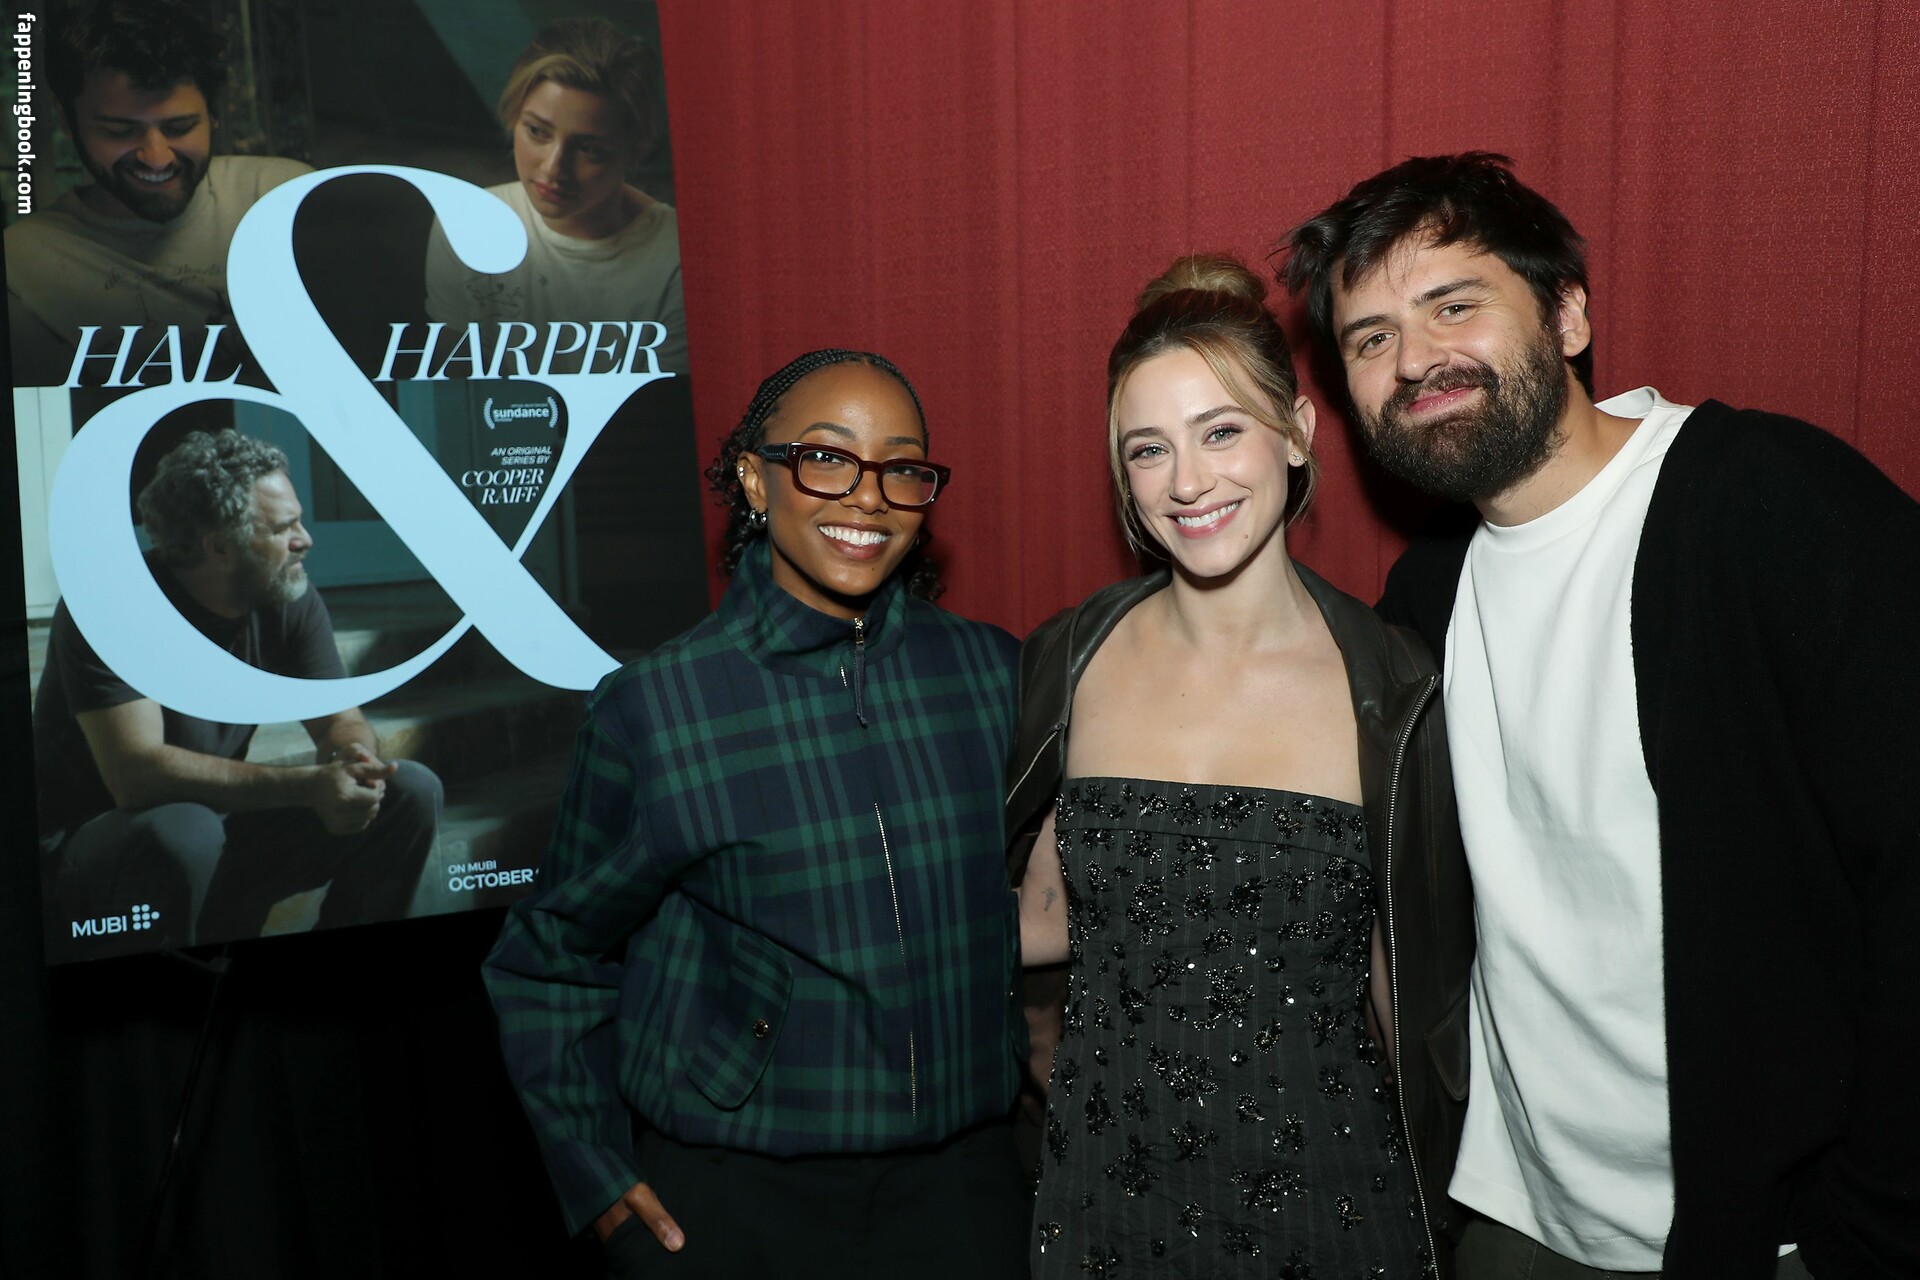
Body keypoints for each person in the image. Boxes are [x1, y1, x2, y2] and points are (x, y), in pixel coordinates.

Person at [1279, 152, 1919, 1280]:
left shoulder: (1766, 502)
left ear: (1568, 314)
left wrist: (1867, 1231)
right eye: (1370, 338)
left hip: (1767, 1235)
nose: (1414, 359)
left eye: (1453, 305)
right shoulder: (1427, 595)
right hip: (1511, 1221)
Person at [483, 350, 1029, 1279]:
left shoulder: (993, 673)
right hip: (739, 1199)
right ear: (753, 479)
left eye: (901, 469)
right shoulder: (657, 707)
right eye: (827, 459)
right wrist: (594, 1172)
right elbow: (548, 955)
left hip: (963, 1191)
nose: (868, 497)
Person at [1008, 256, 1474, 1279]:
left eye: (1221, 431)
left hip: (1330, 1201)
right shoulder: (1072, 658)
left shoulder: (1393, 687)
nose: (1187, 481)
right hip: (1103, 1193)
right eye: (1148, 449)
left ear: (1298, 432)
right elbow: (1039, 912)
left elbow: (1410, 997)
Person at [34, 430, 441, 958]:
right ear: (218, 545)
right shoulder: (113, 604)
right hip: (99, 856)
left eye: (299, 521)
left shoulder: (284, 593)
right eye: (283, 527)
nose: (305, 539)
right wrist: (308, 786)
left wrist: (351, 760)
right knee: (184, 829)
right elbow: (135, 774)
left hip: (212, 830)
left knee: (408, 790)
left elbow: (340, 720)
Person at [5, 0, 312, 387]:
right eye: (119, 131)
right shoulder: (22, 263)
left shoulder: (285, 198)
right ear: (67, 120)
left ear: (213, 115)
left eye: (180, 127)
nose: (156, 157)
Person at [423, 17, 687, 375]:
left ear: (634, 151)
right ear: (513, 117)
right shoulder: (466, 225)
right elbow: (458, 384)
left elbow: (667, 403)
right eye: (537, 131)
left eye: (589, 149)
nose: (553, 168)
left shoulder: (676, 257)